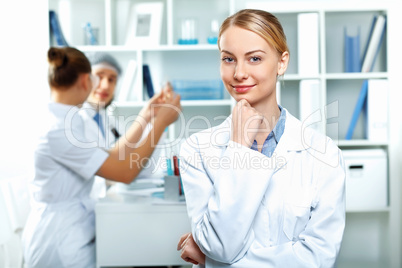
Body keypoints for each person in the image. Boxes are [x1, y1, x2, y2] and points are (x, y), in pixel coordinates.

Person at [177, 9, 346, 267]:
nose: (239, 73)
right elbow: (222, 247)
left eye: (254, 58)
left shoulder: (324, 153)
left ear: (281, 62)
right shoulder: (196, 150)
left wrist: (211, 262)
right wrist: (238, 148)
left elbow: (318, 258)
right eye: (228, 59)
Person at [22, 47, 181, 268]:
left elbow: (113, 154)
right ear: (87, 81)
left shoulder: (66, 122)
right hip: (59, 241)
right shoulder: (59, 131)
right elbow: (124, 172)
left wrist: (147, 115)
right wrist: (161, 123)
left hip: (74, 231)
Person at [81, 52, 171, 199]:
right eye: (99, 76)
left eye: (112, 80)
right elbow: (118, 171)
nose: (105, 85)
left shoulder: (110, 121)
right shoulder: (76, 121)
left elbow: (137, 163)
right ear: (85, 79)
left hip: (102, 206)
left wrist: (156, 120)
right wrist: (159, 122)